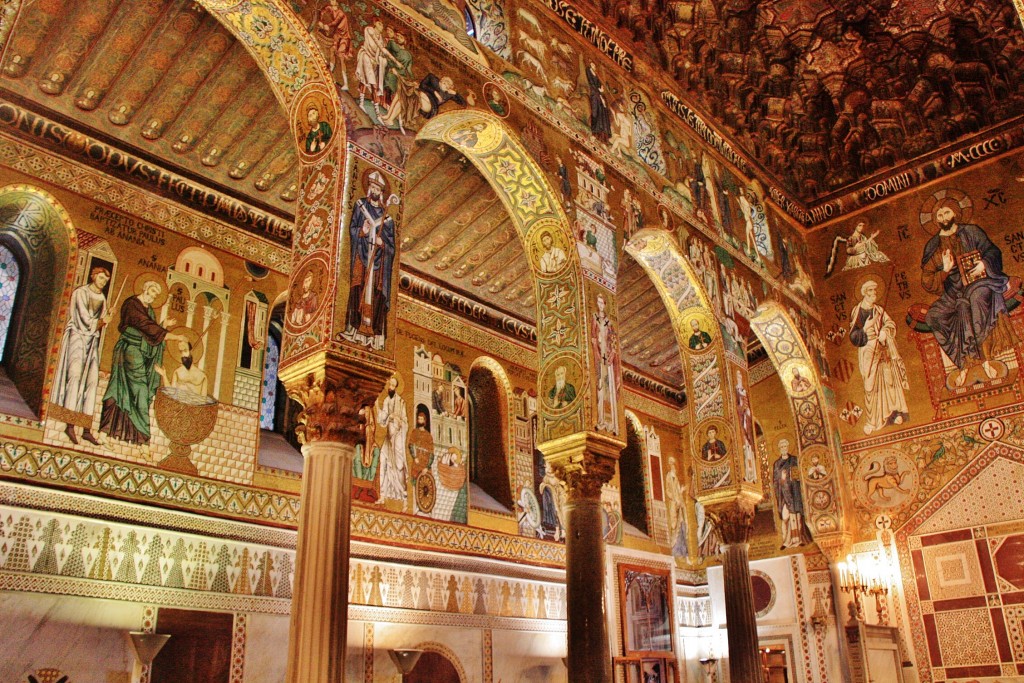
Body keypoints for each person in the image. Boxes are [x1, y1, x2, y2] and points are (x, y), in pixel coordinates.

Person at [921, 204, 1012, 387]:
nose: (944, 217)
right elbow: (927, 279)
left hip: (978, 282)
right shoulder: (933, 245)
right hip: (953, 293)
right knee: (933, 316)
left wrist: (984, 264)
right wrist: (944, 271)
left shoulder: (972, 231)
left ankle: (985, 359)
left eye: (947, 212)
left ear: (955, 213)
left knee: (976, 299)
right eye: (939, 215)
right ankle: (963, 363)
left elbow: (993, 251)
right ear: (936, 220)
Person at [99, 280, 186, 448]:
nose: (152, 296)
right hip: (129, 351)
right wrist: (174, 336)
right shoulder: (132, 304)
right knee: (131, 390)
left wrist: (162, 326)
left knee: (126, 391)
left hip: (138, 352)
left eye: (155, 295)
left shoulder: (150, 310)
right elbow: (146, 327)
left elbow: (150, 333)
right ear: (144, 287)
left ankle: (109, 434)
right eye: (151, 291)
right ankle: (142, 441)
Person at [51, 266, 111, 445]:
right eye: (101, 278)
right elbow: (83, 319)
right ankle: (69, 426)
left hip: (92, 341)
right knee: (75, 377)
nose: (103, 282)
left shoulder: (102, 297)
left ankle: (86, 429)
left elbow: (102, 321)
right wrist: (101, 322)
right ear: (94, 276)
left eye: (106, 280)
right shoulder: (80, 293)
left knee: (91, 382)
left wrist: (106, 319)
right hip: (77, 338)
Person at [342, 171, 396, 350]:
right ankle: (353, 329)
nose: (374, 190)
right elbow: (352, 230)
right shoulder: (360, 206)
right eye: (372, 187)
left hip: (378, 265)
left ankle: (375, 335)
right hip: (361, 257)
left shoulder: (387, 219)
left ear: (381, 192)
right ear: (368, 189)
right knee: (357, 287)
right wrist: (362, 231)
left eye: (377, 188)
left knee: (376, 294)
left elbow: (392, 248)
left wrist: (383, 244)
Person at [850, 279, 909, 434]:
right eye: (871, 291)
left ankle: (893, 413)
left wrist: (884, 332)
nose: (874, 294)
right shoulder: (857, 311)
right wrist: (866, 329)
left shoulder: (879, 310)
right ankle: (873, 420)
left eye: (875, 291)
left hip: (883, 348)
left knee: (889, 380)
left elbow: (890, 324)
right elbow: (854, 336)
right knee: (870, 384)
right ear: (865, 293)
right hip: (868, 350)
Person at [773, 439, 813, 549]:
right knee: (785, 518)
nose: (783, 449)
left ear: (788, 447)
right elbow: (775, 481)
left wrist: (791, 476)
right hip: (783, 495)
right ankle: (786, 541)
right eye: (781, 447)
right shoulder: (777, 464)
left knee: (797, 516)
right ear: (779, 449)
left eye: (785, 446)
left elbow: (797, 476)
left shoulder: (794, 460)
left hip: (794, 492)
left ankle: (798, 539)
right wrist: (782, 479)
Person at [376, 375, 409, 510]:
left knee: (399, 466)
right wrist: (381, 411)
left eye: (393, 386)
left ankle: (405, 496)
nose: (390, 388)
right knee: (383, 462)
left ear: (396, 388)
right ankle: (383, 495)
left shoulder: (401, 403)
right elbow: (382, 422)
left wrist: (398, 421)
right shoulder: (385, 401)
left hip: (398, 439)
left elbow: (405, 421)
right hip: (388, 438)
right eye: (389, 385)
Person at [590, 294, 619, 432]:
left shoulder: (608, 322)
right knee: (600, 385)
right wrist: (596, 352)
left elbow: (613, 338)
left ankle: (612, 424)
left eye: (602, 303)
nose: (600, 305)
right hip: (599, 355)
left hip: (607, 356)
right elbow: (593, 337)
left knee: (609, 388)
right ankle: (601, 420)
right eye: (598, 302)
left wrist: (612, 353)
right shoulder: (594, 318)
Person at [316, 0, 352, 89]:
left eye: (333, 1)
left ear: (336, 3)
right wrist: (320, 19)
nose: (331, 2)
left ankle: (346, 84)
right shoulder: (331, 9)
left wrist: (326, 25)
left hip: (344, 37)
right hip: (337, 36)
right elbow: (324, 10)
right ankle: (330, 73)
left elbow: (335, 22)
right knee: (332, 50)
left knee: (341, 57)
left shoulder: (340, 13)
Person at [355, 20, 388, 108]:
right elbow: (373, 42)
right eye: (379, 23)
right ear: (374, 24)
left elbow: (378, 52)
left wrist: (377, 60)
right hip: (365, 56)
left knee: (369, 81)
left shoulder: (381, 38)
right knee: (368, 81)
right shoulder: (369, 30)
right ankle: (362, 103)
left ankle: (369, 106)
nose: (381, 26)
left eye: (382, 24)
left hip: (373, 61)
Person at [585, 61, 611, 142]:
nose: (594, 66)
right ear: (590, 65)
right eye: (593, 65)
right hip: (593, 92)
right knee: (596, 109)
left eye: (595, 65)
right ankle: (595, 130)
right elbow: (591, 83)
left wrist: (601, 89)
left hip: (598, 93)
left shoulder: (596, 75)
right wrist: (598, 90)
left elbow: (599, 85)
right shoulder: (589, 71)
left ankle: (602, 132)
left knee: (603, 106)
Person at [407, 405, 433, 479]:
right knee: (415, 480)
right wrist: (414, 457)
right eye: (418, 419)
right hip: (417, 462)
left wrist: (427, 467)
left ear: (424, 421)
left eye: (421, 419)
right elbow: (411, 445)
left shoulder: (428, 435)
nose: (419, 421)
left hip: (425, 463)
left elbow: (431, 453)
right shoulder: (415, 432)